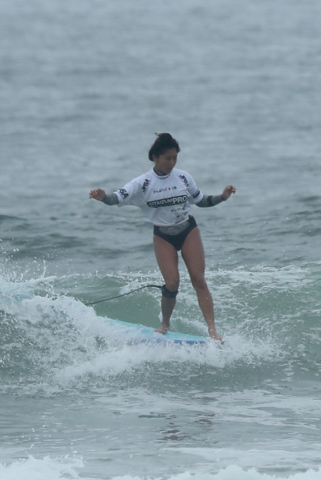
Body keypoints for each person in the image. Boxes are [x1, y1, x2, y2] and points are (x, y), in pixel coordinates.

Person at [88, 133, 236, 341]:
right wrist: (103, 197)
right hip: (163, 235)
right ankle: (165, 323)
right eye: (168, 158)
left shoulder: (183, 177)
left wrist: (222, 197)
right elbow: (116, 198)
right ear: (155, 157)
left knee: (199, 279)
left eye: (175, 158)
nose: (172, 163)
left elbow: (201, 201)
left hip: (188, 230)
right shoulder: (143, 183)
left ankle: (212, 330)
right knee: (172, 283)